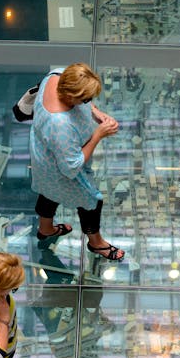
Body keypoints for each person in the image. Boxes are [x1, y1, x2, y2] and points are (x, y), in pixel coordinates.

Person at [30, 62, 124, 261]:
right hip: (60, 170)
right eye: (86, 99)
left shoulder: (56, 76)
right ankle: (96, 243)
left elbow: (83, 103)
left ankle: (45, 229)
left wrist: (96, 112)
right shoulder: (60, 123)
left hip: (44, 159)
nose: (88, 102)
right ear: (71, 96)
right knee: (91, 201)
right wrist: (98, 135)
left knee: (48, 192)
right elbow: (71, 166)